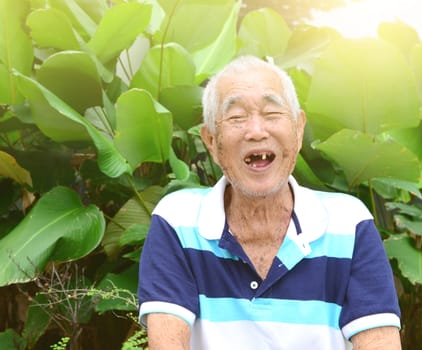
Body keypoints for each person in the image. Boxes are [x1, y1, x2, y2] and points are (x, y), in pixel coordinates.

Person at [137, 55, 402, 349]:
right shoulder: (177, 220)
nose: (256, 131)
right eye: (236, 117)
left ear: (299, 130)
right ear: (211, 141)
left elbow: (380, 342)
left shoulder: (349, 224)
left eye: (272, 113)